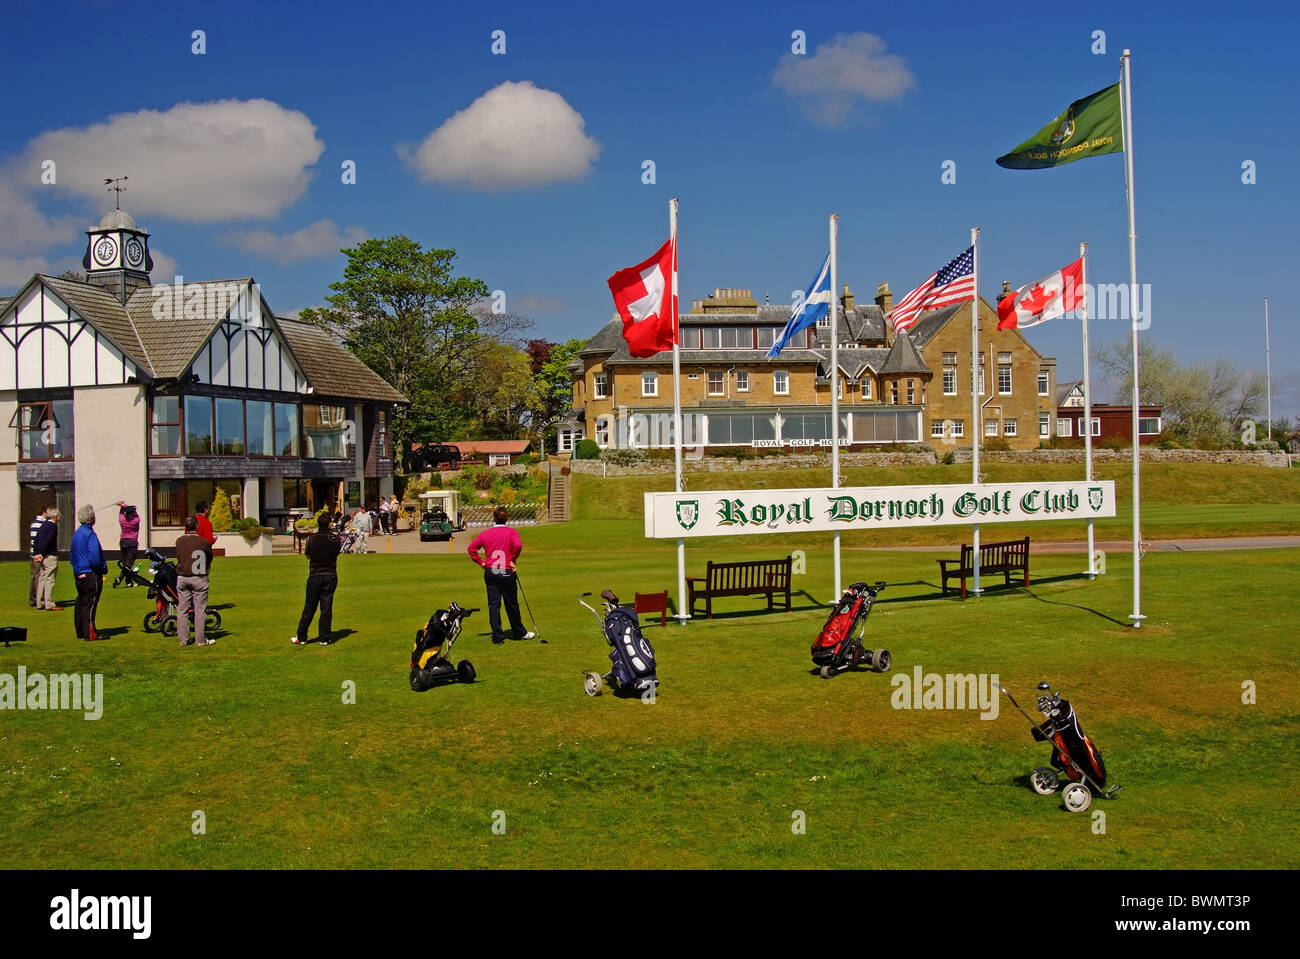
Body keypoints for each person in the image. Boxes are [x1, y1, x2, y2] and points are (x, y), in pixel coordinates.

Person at [466, 506, 534, 645]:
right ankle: (519, 632)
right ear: (507, 518)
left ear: (494, 518)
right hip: (505, 571)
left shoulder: (485, 534)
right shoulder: (511, 532)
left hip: (491, 571)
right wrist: (513, 559)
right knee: (511, 604)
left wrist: (481, 562)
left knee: (494, 605)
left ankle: (497, 637)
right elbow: (518, 545)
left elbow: (471, 549)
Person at [292, 513, 341, 646]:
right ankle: (324, 638)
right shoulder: (335, 539)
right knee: (326, 607)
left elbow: (307, 555)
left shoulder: (312, 539)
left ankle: (301, 636)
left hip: (315, 573)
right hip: (330, 574)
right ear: (329, 524)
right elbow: (336, 552)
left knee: (310, 606)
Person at [174, 516, 215, 648]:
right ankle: (200, 640)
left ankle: (184, 639)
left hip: (182, 577)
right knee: (200, 610)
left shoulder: (179, 541)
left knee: (182, 609)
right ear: (197, 526)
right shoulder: (203, 542)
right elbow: (209, 557)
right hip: (199, 577)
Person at [70, 505, 108, 641]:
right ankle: (90, 633)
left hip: (79, 572)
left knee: (81, 601)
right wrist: (101, 568)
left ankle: (81, 631)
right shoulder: (89, 533)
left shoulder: (78, 533)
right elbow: (95, 556)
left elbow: (72, 554)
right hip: (90, 573)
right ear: (91, 519)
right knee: (90, 603)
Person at [33, 507, 62, 612]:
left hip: (42, 556)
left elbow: (36, 540)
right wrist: (42, 554)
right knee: (50, 579)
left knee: (42, 578)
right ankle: (49, 603)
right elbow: (48, 541)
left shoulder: (43, 525)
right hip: (49, 556)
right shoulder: (52, 526)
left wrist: (36, 553)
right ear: (55, 516)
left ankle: (39, 602)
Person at [112, 501, 142, 587]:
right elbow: (136, 514)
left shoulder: (122, 520)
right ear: (131, 513)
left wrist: (122, 506)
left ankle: (128, 582)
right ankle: (119, 578)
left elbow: (121, 513)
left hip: (123, 542)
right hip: (132, 542)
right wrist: (123, 505)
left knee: (126, 562)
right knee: (129, 564)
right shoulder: (136, 521)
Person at [28, 505, 48, 607]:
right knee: (38, 577)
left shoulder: (34, 523)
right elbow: (39, 541)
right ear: (44, 512)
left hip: (32, 554)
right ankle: (38, 599)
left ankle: (32, 599)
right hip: (37, 554)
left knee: (33, 577)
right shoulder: (41, 524)